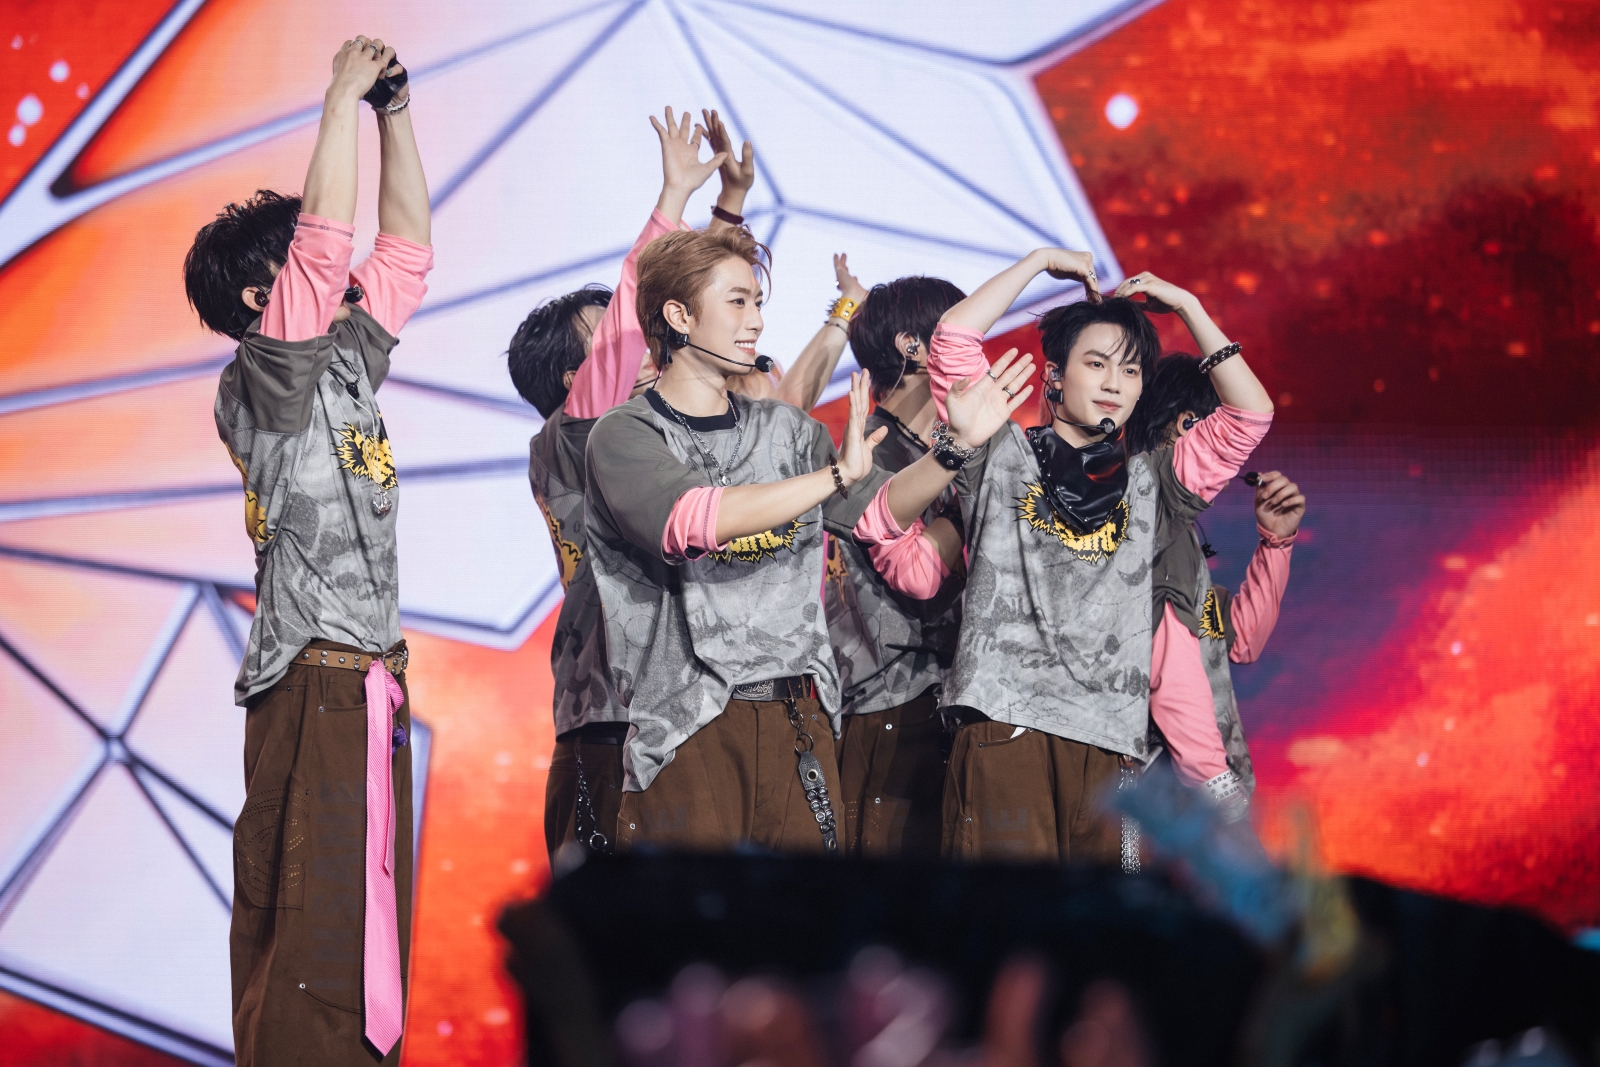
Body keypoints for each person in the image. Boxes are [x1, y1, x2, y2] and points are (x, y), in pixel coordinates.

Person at [583, 225, 1035, 854]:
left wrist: (956, 448)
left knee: (809, 916)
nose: (756, 321)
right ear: (680, 316)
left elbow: (878, 513)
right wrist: (832, 478)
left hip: (801, 720)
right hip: (687, 723)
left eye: (758, 302)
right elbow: (690, 520)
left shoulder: (788, 430)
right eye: (737, 302)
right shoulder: (624, 434)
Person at [508, 108, 866, 862]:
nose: (638, 347)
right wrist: (676, 196)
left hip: (698, 704)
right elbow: (650, 312)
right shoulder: (583, 435)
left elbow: (695, 304)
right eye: (617, 344)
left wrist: (728, 210)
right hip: (614, 715)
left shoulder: (706, 418)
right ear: (577, 380)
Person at [188, 37, 431, 1066]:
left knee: (367, 934)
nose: (329, 271)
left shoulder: (341, 361)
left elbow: (403, 252)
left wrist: (393, 113)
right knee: (313, 939)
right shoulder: (268, 376)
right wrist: (337, 98)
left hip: (369, 678)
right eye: (297, 268)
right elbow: (327, 248)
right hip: (314, 679)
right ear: (263, 298)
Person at [926, 257, 1274, 864]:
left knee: (1098, 920)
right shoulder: (1002, 452)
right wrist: (1038, 262)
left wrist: (1189, 306)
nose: (1115, 381)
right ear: (1055, 377)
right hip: (1007, 728)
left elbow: (1250, 414)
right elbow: (953, 339)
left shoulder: (1155, 481)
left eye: (1131, 370)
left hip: (1112, 745)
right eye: (1096, 363)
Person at [826, 275, 969, 857]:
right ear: (914, 347)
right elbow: (917, 578)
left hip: (943, 703)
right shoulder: (870, 450)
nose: (974, 354)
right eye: (959, 335)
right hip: (892, 708)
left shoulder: (935, 446)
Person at [1126, 357, 1305, 811]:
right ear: (1185, 425)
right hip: (1151, 792)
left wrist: (1276, 544)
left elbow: (1240, 639)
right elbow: (1172, 678)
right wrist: (1223, 796)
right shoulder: (1147, 523)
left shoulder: (1176, 539)